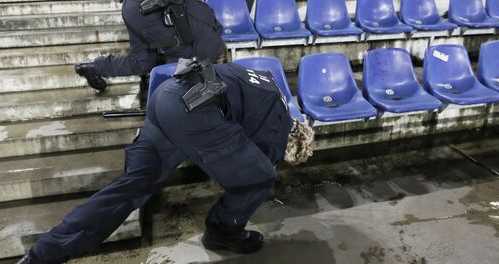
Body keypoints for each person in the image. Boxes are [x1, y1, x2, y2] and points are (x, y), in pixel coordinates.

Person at [17, 57, 313, 264]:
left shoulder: (267, 84)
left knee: (131, 188)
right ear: (293, 137)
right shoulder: (277, 121)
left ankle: (43, 255)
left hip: (167, 95)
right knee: (260, 178)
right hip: (195, 110)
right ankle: (223, 233)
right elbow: (261, 163)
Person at [75, 0, 225, 92]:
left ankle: (93, 68)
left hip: (137, 9)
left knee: (142, 62)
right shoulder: (211, 39)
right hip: (147, 8)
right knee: (182, 52)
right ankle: (174, 101)